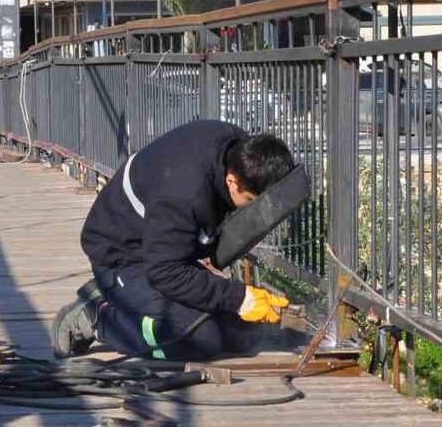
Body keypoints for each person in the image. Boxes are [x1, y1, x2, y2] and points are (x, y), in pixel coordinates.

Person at [51, 120, 295, 361]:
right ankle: (98, 317)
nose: (254, 210)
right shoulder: (183, 193)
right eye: (252, 201)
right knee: (200, 338)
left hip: (163, 247)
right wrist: (240, 298)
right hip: (123, 255)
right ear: (232, 181)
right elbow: (166, 272)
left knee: (239, 333)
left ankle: (120, 296)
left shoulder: (237, 149)